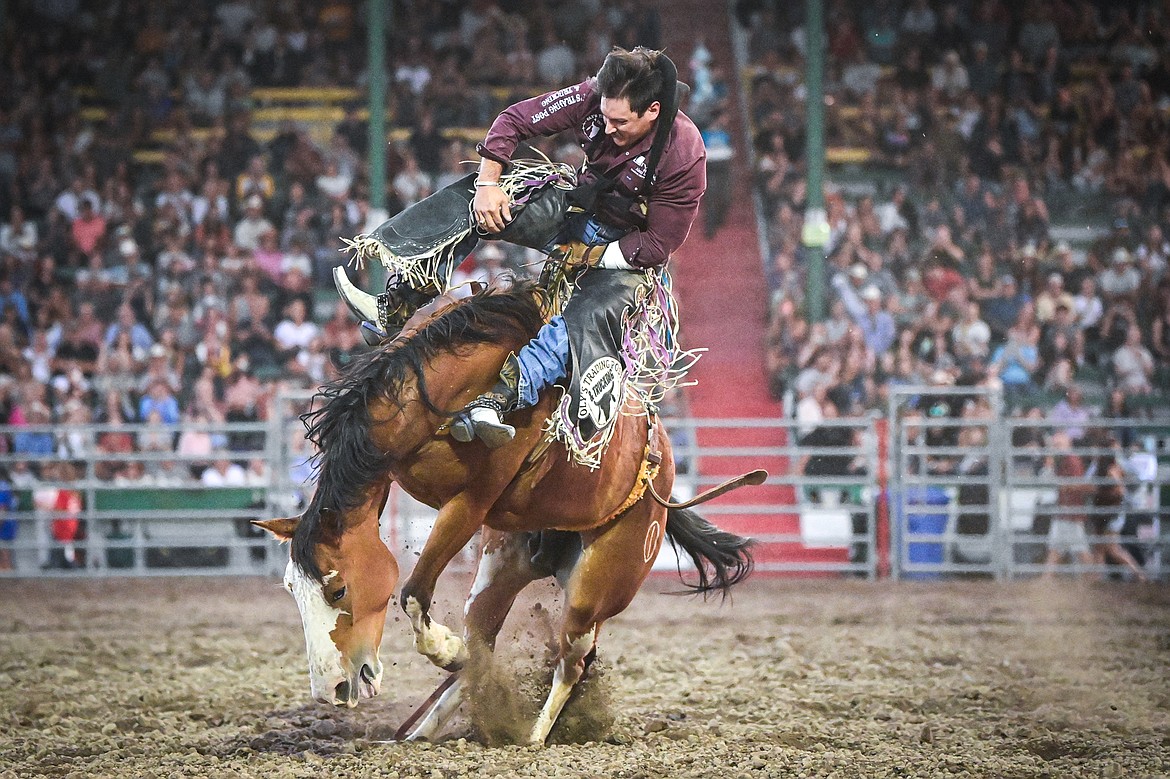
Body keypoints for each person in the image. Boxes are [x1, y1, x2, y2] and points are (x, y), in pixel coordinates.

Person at [336, 47, 706, 450]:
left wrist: (594, 256)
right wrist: (488, 184)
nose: (608, 126)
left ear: (652, 111)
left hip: (626, 255)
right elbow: (514, 120)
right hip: (576, 209)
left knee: (587, 319)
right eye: (604, 115)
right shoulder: (592, 97)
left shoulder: (684, 152)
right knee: (482, 202)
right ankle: (397, 306)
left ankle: (500, 400)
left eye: (620, 122)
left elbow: (658, 243)